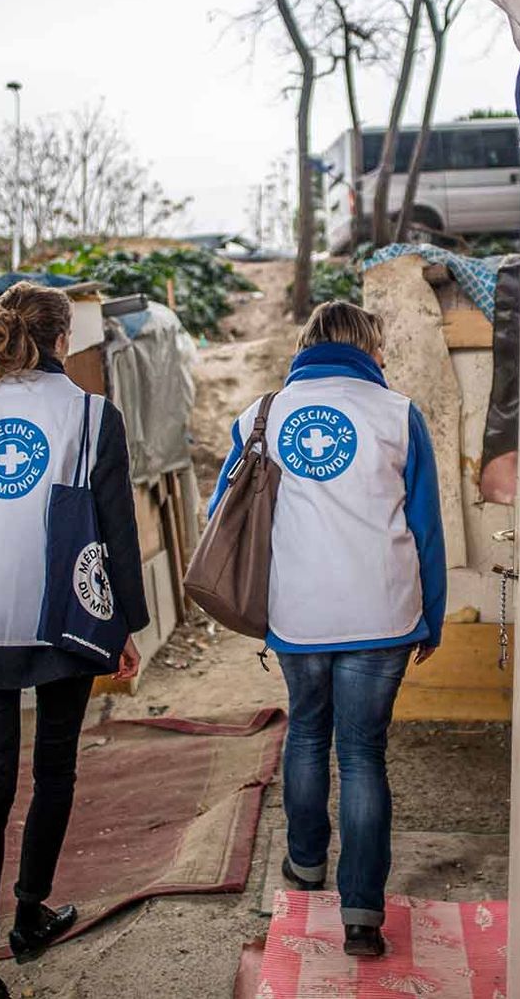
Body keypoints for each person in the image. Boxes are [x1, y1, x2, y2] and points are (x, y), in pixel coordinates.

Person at [0, 282, 149, 999]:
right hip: (60, 621)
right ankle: (31, 912)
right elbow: (116, 532)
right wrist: (125, 624)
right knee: (54, 772)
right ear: (60, 339)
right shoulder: (90, 416)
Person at [209, 300, 445, 958]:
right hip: (383, 612)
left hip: (298, 612)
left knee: (308, 730)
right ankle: (363, 914)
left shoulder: (261, 415)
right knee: (364, 751)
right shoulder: (398, 414)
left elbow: (222, 510)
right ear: (369, 346)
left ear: (307, 345)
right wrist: (433, 616)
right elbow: (425, 526)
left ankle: (305, 866)